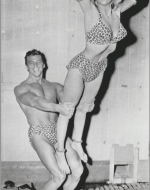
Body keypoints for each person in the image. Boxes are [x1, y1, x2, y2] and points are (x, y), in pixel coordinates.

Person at [55, 0, 137, 173]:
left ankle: (77, 143)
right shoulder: (91, 8)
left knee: (84, 108)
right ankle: (60, 152)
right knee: (67, 109)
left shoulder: (117, 11)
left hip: (100, 67)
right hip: (81, 66)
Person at [14, 49, 83, 190]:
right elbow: (35, 102)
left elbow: (71, 100)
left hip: (59, 132)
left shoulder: (55, 86)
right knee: (59, 176)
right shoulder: (21, 88)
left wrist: (86, 102)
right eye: (31, 63)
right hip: (39, 133)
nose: (35, 66)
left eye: (39, 62)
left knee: (78, 171)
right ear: (26, 66)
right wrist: (58, 108)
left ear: (44, 64)